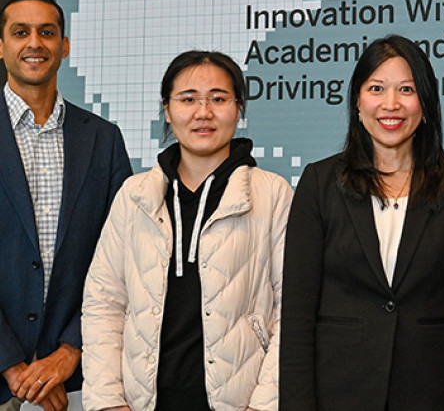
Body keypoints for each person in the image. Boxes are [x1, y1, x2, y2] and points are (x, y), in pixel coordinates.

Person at [279, 35, 444, 411]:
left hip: (433, 393)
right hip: (339, 392)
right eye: (377, 88)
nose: (391, 104)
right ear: (358, 102)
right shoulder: (319, 183)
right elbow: (297, 315)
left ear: (426, 103)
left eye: (406, 89)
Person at [81, 51, 292, 411]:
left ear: (238, 109)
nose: (203, 112)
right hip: (142, 402)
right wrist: (107, 402)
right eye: (188, 99)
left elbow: (291, 310)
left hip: (238, 403)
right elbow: (104, 303)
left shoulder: (272, 193)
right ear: (167, 109)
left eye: (219, 98)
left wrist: (264, 405)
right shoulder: (134, 195)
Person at [0, 0, 132, 411]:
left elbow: (125, 254)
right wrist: (13, 367)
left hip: (78, 379)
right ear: (1, 45)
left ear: (65, 45)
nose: (34, 43)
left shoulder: (103, 139)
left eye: (47, 32)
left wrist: (69, 352)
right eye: (21, 32)